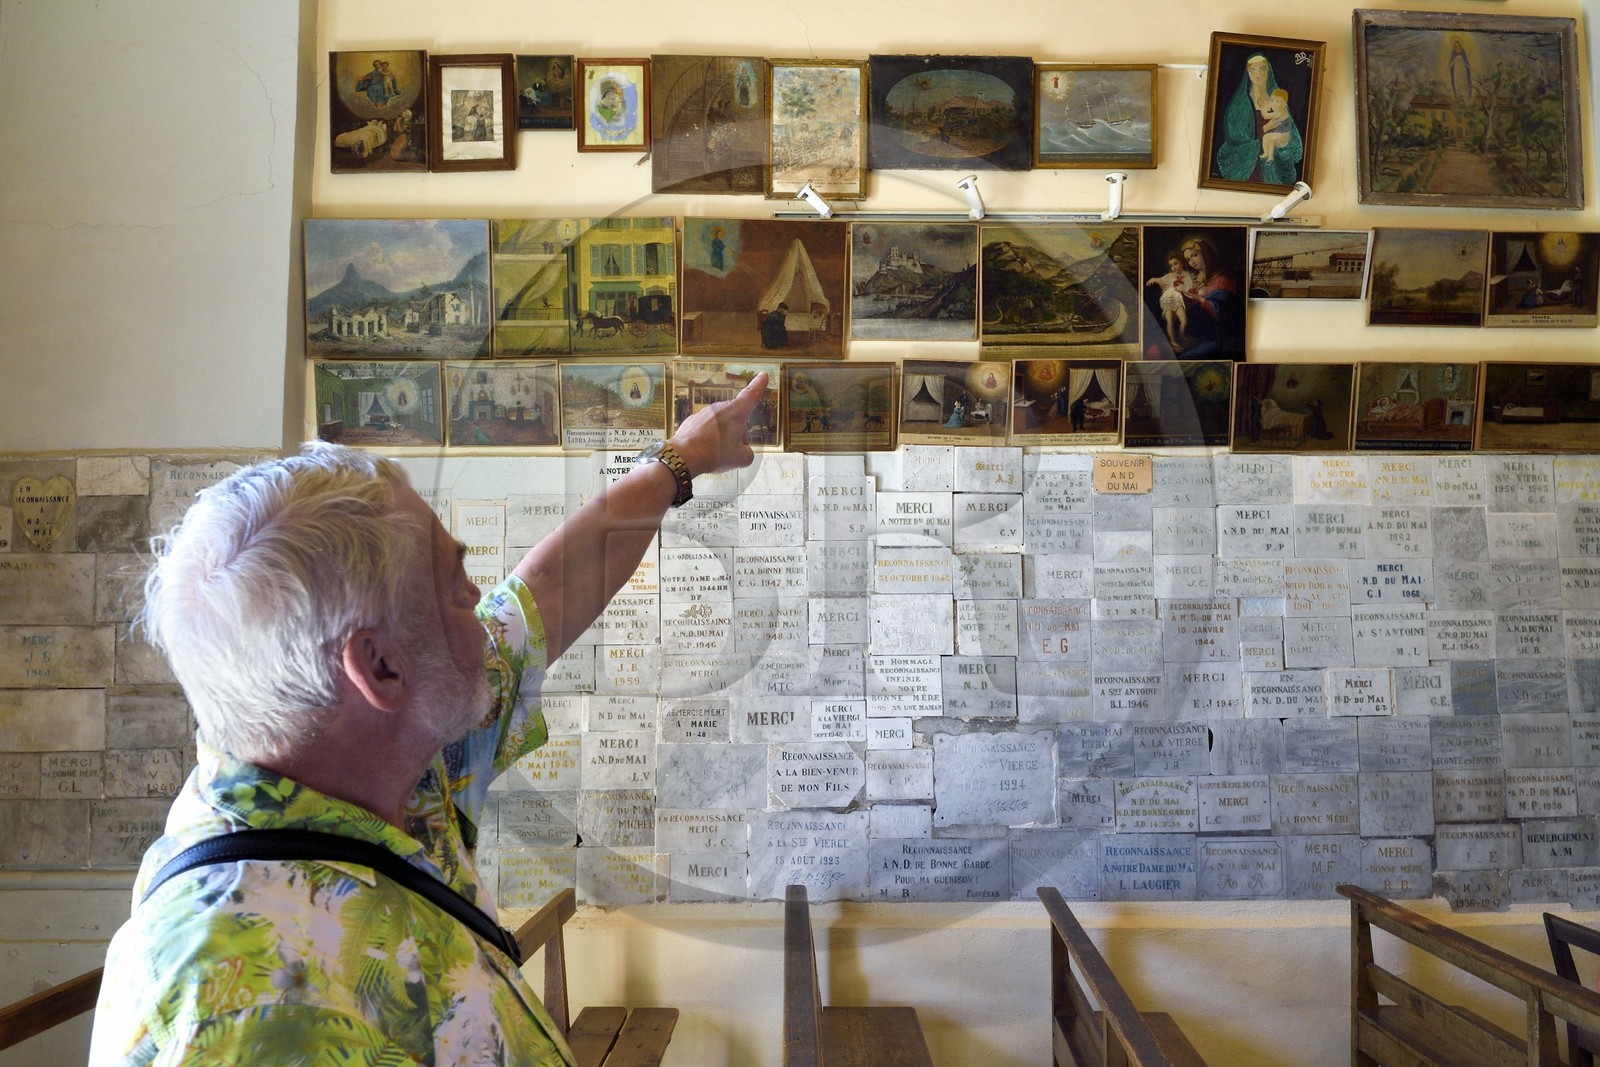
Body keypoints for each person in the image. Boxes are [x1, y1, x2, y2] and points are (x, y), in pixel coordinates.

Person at [87, 375, 768, 1066]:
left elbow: (549, 592)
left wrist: (681, 461)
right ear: (379, 668)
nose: (483, 599)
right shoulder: (245, 1012)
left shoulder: (390, 758)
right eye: (454, 586)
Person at [1214, 53, 1301, 186]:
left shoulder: (1277, 100)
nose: (1258, 74)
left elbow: (1290, 133)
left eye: (1262, 68)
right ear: (1247, 73)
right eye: (1252, 70)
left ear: (1268, 71)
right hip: (1247, 164)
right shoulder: (1240, 103)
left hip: (1274, 168)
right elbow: (1235, 136)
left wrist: (1282, 143)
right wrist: (1265, 128)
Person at [1146, 250, 1195, 347]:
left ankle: (1181, 337)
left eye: (1175, 264)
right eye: (1171, 265)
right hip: (1168, 298)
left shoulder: (1187, 276)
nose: (1173, 267)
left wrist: (1183, 289)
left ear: (1182, 262)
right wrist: (1154, 279)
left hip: (1178, 299)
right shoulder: (1169, 276)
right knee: (1170, 321)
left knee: (1184, 321)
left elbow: (1189, 288)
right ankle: (1173, 341)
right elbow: (1159, 279)